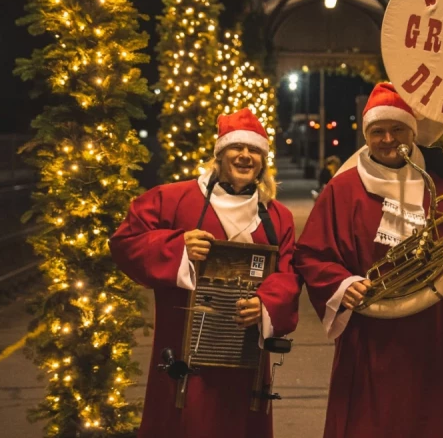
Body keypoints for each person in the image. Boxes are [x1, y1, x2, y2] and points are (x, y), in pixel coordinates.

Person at [293, 82, 443, 438]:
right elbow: (311, 253)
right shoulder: (343, 188)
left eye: (397, 129)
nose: (388, 139)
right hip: (368, 333)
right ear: (366, 135)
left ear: (412, 131)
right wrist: (342, 284)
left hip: (432, 328)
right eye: (378, 131)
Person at [109, 108, 300, 438]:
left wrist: (267, 304)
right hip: (184, 352)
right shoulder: (173, 199)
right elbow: (125, 241)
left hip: (245, 356)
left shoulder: (278, 217)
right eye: (236, 148)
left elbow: (289, 273)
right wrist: (177, 246)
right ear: (220, 154)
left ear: (264, 160)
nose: (245, 156)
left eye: (254, 150)